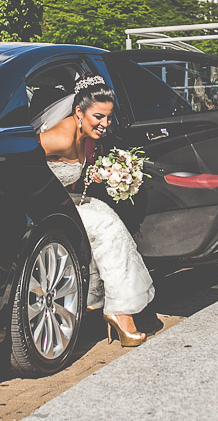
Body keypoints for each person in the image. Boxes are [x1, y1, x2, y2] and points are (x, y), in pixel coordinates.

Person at [36, 75, 155, 346]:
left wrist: (98, 173)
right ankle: (120, 313)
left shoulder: (84, 135)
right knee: (107, 228)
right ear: (79, 112)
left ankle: (112, 308)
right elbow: (21, 162)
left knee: (108, 222)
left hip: (69, 202)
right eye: (98, 117)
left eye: (109, 118)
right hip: (49, 207)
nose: (105, 124)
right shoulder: (60, 137)